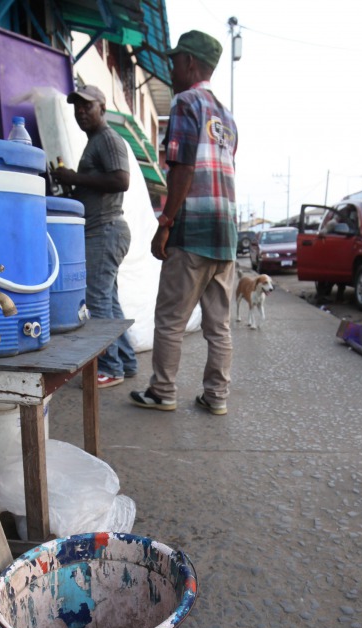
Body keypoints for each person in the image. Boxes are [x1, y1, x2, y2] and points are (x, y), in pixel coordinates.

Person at [129, 30, 238, 416]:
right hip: (226, 236)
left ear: (190, 63)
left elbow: (183, 168)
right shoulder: (227, 117)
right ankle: (216, 396)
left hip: (193, 230)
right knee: (218, 324)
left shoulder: (185, 103)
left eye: (175, 61)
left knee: (171, 317)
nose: (170, 68)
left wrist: (166, 222)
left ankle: (162, 391)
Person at [52, 84, 137, 387]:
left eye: (87, 106)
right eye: (77, 106)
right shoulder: (96, 142)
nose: (81, 111)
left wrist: (74, 177)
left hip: (105, 229)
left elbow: (121, 180)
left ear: (102, 107)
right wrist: (72, 185)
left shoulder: (107, 139)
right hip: (105, 229)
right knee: (108, 302)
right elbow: (99, 183)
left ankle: (110, 367)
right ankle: (125, 361)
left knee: (98, 301)